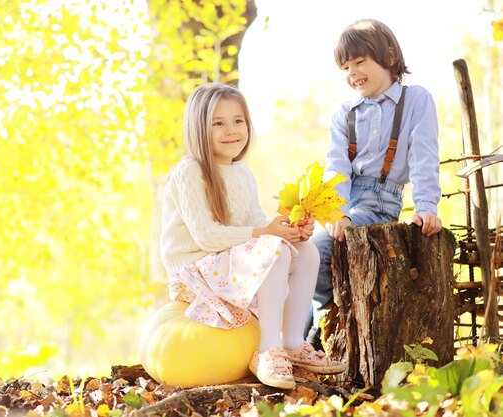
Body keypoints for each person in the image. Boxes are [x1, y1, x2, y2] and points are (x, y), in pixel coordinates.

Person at [160, 83, 345, 389]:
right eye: (218, 123)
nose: (231, 130)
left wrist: (291, 231)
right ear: (198, 129)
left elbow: (259, 224)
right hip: (194, 272)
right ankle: (267, 349)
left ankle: (292, 342)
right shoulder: (189, 172)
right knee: (276, 251)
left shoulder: (243, 174)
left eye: (238, 121)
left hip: (228, 265)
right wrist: (267, 234)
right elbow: (206, 236)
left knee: (306, 250)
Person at [308, 19, 443, 337]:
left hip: (380, 203)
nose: (352, 73)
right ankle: (304, 337)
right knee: (304, 258)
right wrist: (336, 211)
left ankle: (318, 330)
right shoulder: (345, 113)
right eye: (345, 67)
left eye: (359, 62)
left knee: (318, 257)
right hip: (343, 207)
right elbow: (336, 166)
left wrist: (426, 206)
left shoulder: (416, 100)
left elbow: (424, 157)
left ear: (390, 57)